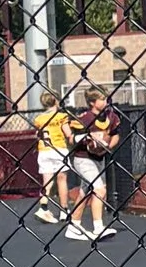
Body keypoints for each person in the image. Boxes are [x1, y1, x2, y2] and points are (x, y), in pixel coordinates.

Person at [66, 83, 123, 242]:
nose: (106, 101)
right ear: (92, 102)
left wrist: (106, 147)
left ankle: (74, 225)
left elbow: (115, 135)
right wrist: (87, 139)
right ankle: (98, 227)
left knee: (86, 192)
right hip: (83, 159)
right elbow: (71, 138)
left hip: (99, 159)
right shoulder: (85, 119)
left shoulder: (111, 116)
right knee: (100, 190)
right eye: (102, 99)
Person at [30, 70, 75, 226]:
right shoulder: (61, 117)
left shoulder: (39, 119)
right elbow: (68, 133)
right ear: (56, 101)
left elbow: (38, 134)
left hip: (44, 150)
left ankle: (43, 207)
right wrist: (73, 137)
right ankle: (64, 210)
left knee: (46, 182)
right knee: (62, 180)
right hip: (59, 149)